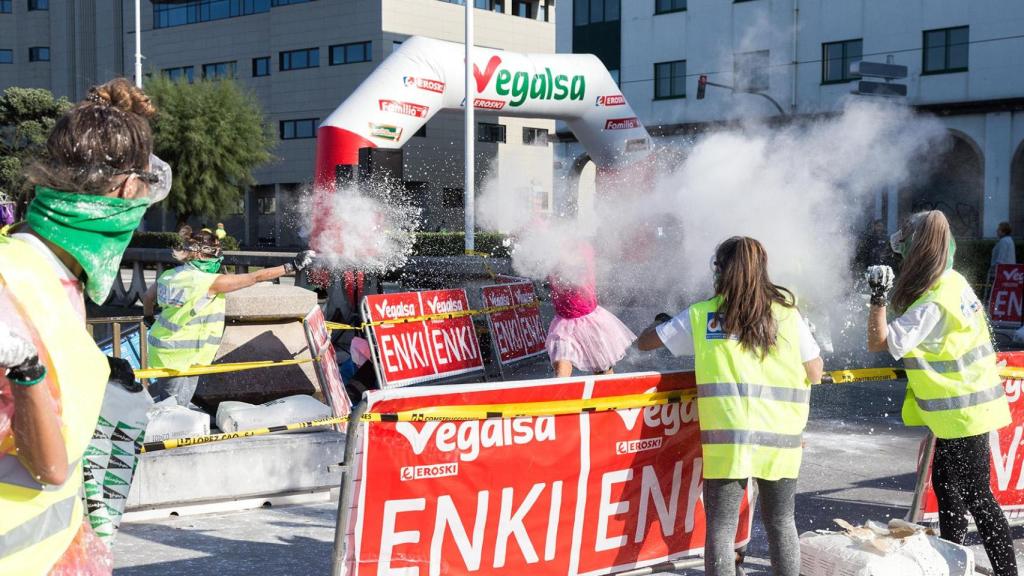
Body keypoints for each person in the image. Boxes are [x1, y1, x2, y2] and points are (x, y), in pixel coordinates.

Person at [0, 78, 165, 574]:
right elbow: (48, 466)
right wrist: (27, 372)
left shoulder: (54, 276)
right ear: (127, 192)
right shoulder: (17, 281)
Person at [637, 236, 823, 576]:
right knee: (781, 523)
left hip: (729, 440)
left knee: (721, 532)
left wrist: (661, 323)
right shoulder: (787, 316)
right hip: (781, 439)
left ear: (720, 271)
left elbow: (647, 343)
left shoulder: (704, 316)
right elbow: (815, 371)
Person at [866, 211, 1017, 576]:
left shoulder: (933, 302)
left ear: (920, 252)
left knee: (977, 497)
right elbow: (899, 243)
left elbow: (879, 342)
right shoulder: (953, 281)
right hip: (966, 410)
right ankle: (954, 563)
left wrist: (878, 298)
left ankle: (1004, 571)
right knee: (949, 490)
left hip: (963, 412)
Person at [143, 227, 316, 406]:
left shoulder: (170, 275)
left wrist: (148, 318)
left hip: (165, 350)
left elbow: (148, 298)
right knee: (173, 411)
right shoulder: (207, 282)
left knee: (173, 404)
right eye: (216, 256)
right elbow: (254, 277)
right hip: (181, 357)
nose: (218, 261)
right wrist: (292, 265)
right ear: (202, 255)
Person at [546, 238, 635, 377]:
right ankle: (560, 398)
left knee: (603, 370)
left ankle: (611, 396)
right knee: (561, 367)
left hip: (589, 321)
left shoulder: (582, 246)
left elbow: (574, 265)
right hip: (563, 323)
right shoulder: (550, 247)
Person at [988, 221, 1016, 291]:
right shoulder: (1010, 240)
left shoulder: (1003, 241)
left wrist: (994, 269)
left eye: (998, 230)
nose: (997, 231)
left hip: (1001, 273)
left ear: (1003, 231)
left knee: (996, 291)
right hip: (1009, 272)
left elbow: (1000, 259)